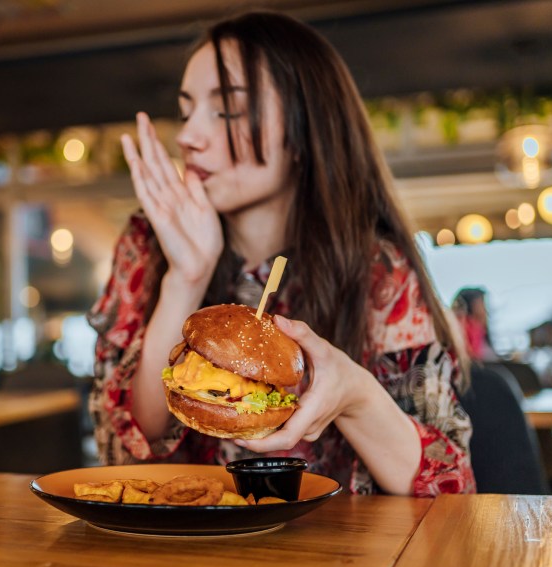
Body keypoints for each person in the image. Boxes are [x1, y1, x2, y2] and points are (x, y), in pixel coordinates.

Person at [87, 11, 475, 496]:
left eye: (226, 109)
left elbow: (448, 486)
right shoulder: (149, 243)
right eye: (187, 112)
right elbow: (123, 450)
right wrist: (185, 277)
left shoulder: (378, 268)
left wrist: (353, 395)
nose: (188, 137)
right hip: (182, 551)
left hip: (345, 558)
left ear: (302, 128)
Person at [452, 287, 497, 362]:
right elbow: (473, 354)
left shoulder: (480, 328)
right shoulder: (464, 325)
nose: (485, 308)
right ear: (471, 304)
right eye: (481, 302)